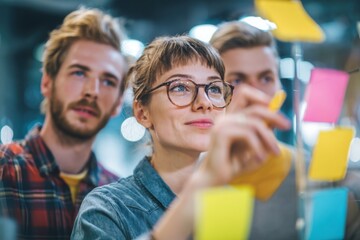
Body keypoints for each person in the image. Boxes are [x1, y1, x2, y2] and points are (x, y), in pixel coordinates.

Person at [71, 35, 291, 239]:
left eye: (214, 88)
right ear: (142, 113)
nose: (204, 102)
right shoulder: (107, 210)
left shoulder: (242, 200)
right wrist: (200, 187)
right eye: (179, 87)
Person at [210, 21, 360, 239]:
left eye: (266, 78)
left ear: (280, 87)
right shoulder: (194, 180)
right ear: (213, 91)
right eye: (237, 80)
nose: (256, 94)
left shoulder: (319, 179)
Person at [0, 7, 127, 240]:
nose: (92, 92)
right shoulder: (3, 171)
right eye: (79, 73)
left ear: (119, 103)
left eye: (108, 81)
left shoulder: (120, 197)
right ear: (47, 82)